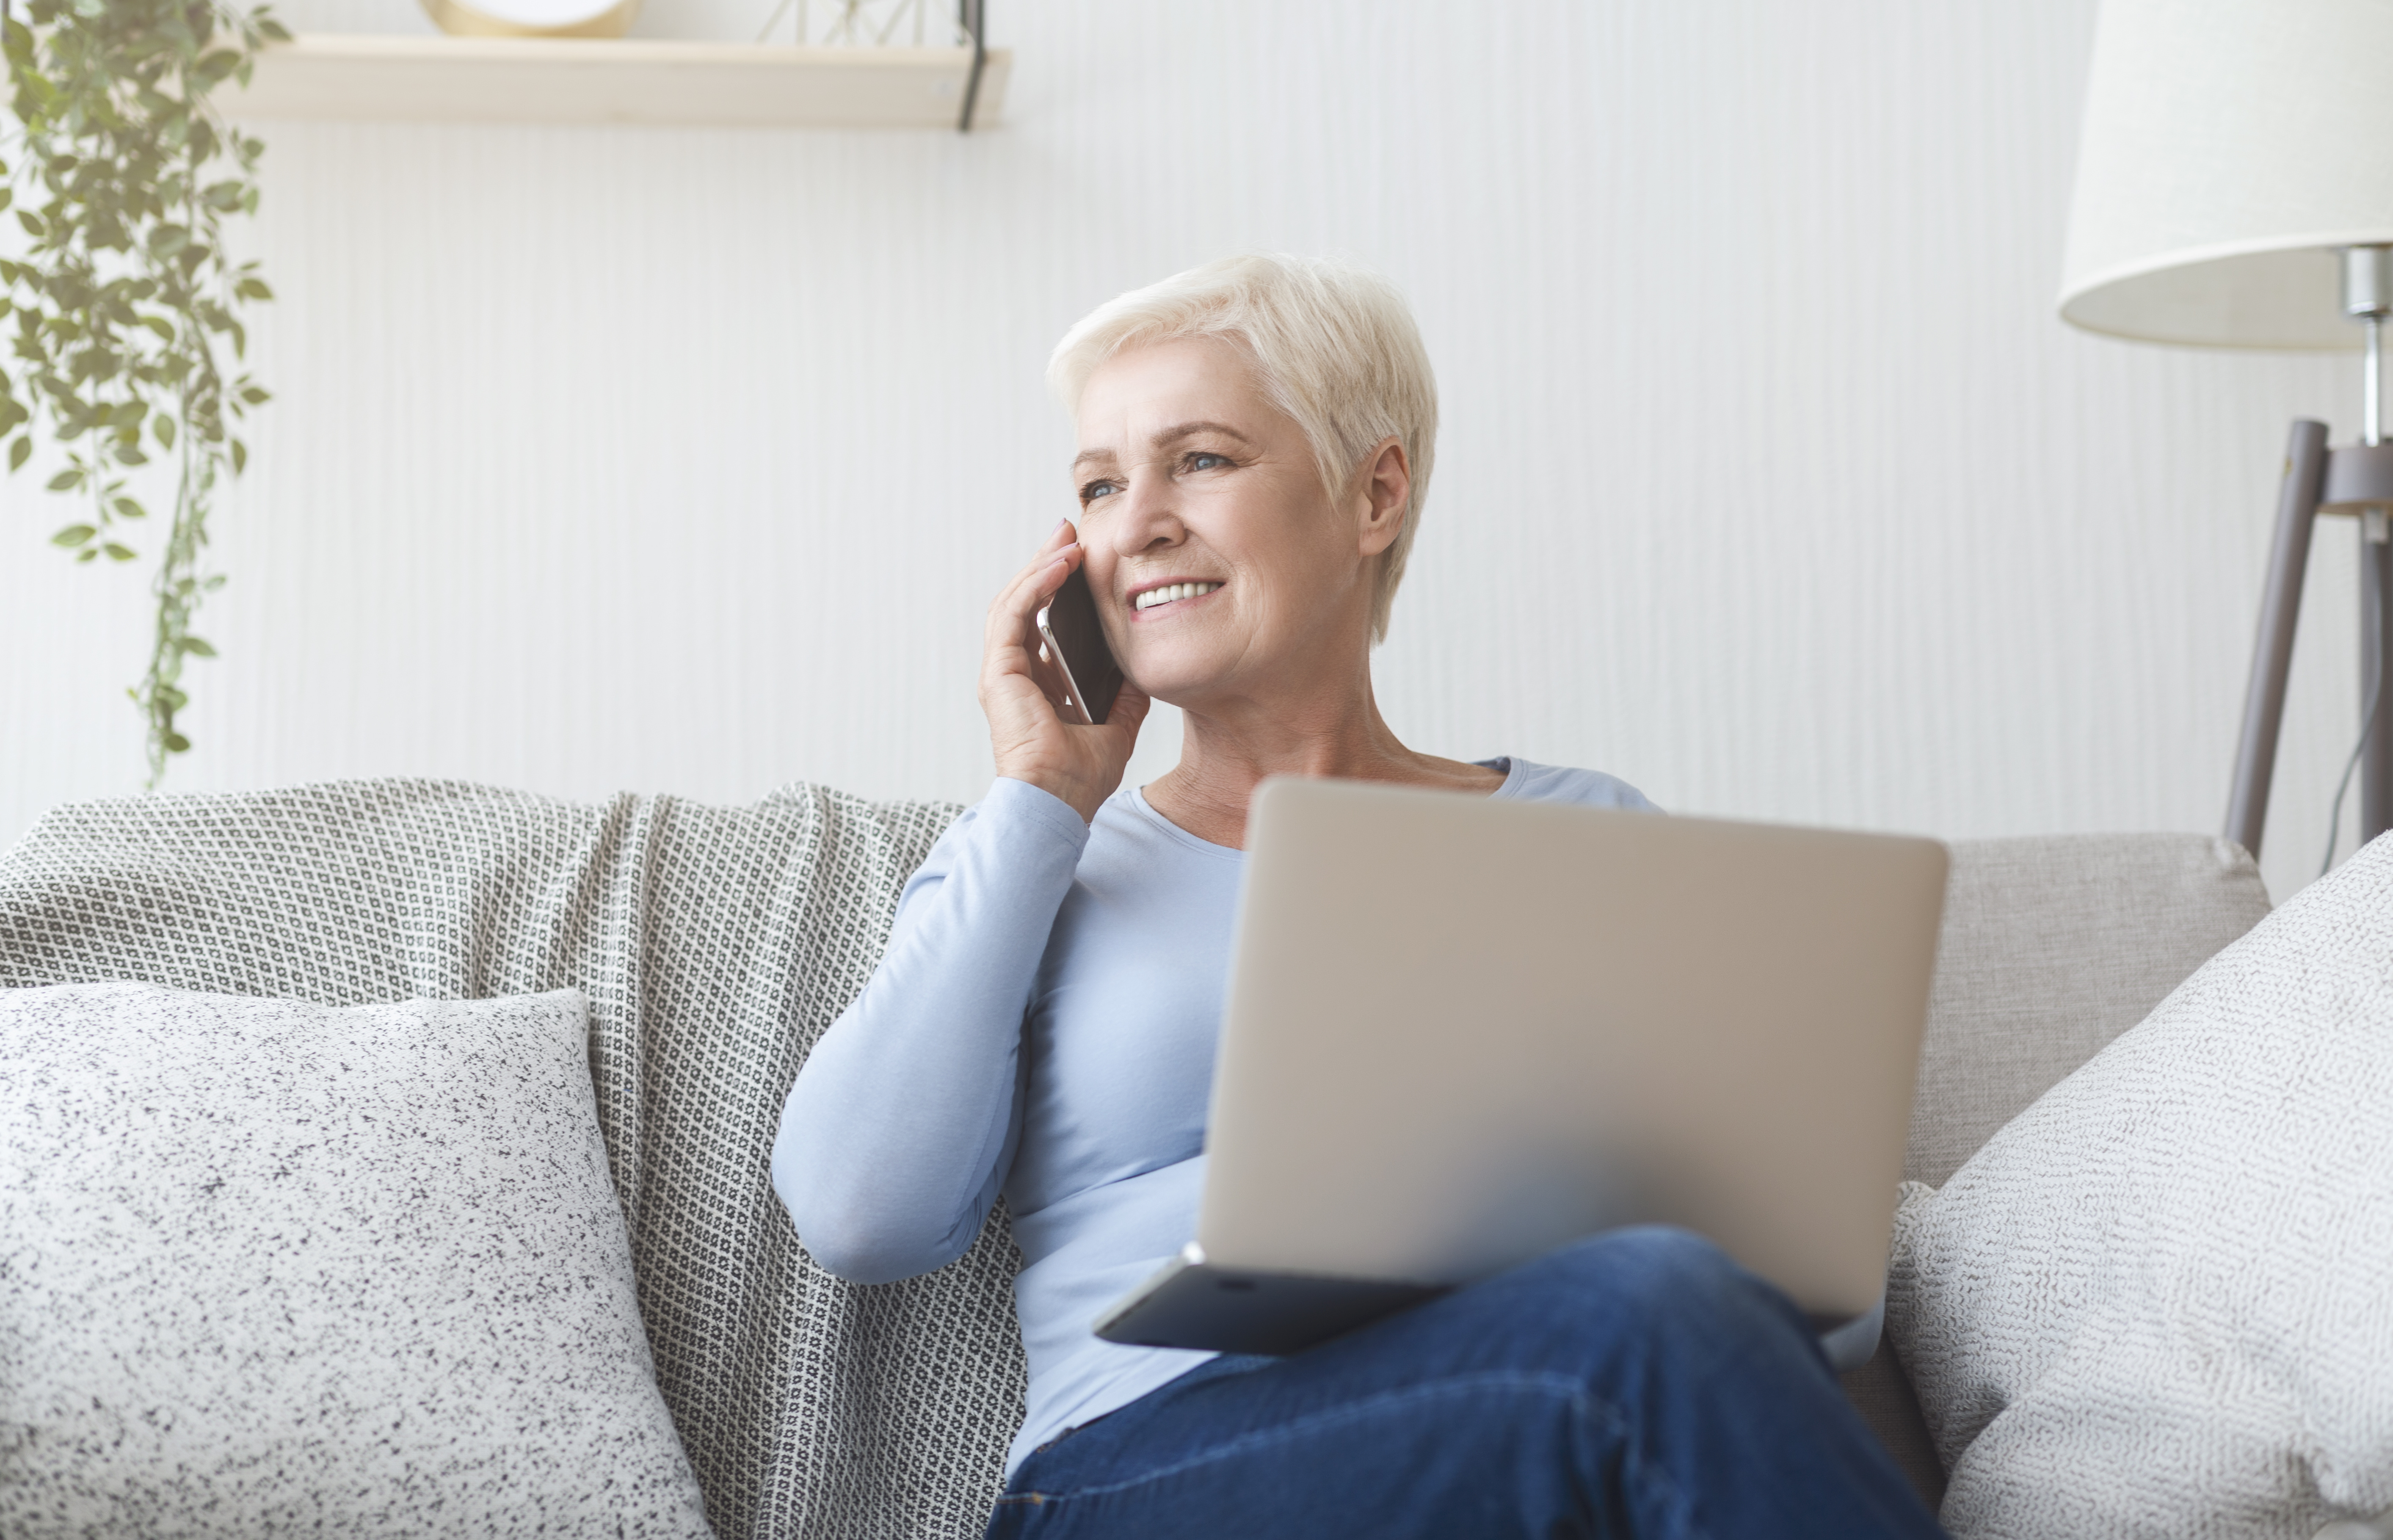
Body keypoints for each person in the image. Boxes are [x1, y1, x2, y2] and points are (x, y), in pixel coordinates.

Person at [772, 254, 1943, 1539]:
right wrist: (1044, 794)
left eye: (1201, 461)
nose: (1138, 522)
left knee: (1656, 1306)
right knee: (1645, 1317)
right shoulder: (1042, 862)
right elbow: (858, 1211)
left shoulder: (1588, 835)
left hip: (1530, 1421)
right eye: (1100, 486)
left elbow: (1817, 1301)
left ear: (1373, 493)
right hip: (1139, 1469)